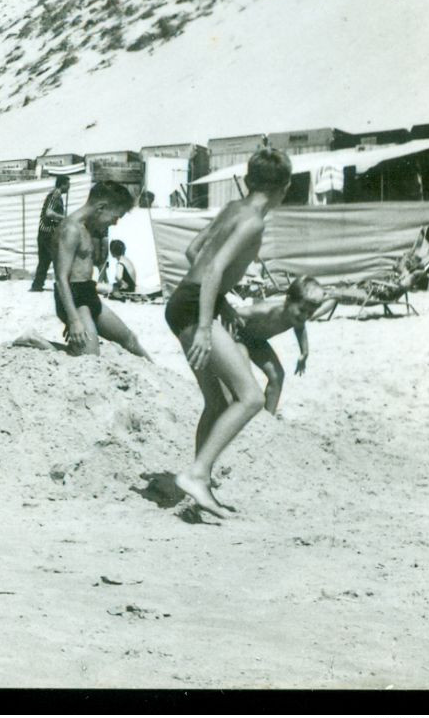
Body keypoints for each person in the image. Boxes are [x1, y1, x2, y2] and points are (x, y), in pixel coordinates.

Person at [163, 147, 294, 519]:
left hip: (184, 301)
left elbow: (193, 252)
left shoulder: (233, 208)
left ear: (249, 180)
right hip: (192, 310)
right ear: (285, 187)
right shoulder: (253, 221)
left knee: (218, 402)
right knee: (251, 397)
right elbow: (215, 267)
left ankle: (197, 482)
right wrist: (206, 325)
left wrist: (220, 304)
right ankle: (197, 474)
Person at [52, 180, 152, 360]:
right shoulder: (71, 229)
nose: (115, 223)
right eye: (115, 216)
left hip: (87, 292)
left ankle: (157, 372)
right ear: (101, 208)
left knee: (130, 339)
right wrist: (74, 319)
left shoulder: (88, 228)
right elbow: (61, 278)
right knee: (89, 355)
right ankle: (33, 340)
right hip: (74, 298)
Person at [222, 276, 327, 416]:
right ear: (288, 300)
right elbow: (233, 313)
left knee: (277, 375)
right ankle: (231, 409)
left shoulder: (296, 318)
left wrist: (304, 353)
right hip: (239, 337)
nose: (304, 316)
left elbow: (300, 329)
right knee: (243, 374)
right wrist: (228, 339)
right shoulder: (268, 310)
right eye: (302, 310)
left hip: (257, 343)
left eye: (310, 313)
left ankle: (268, 417)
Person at [30, 175, 70, 292]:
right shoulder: (55, 195)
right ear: (62, 184)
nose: (69, 187)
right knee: (58, 259)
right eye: (68, 185)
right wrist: (63, 218)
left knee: (44, 260)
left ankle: (37, 285)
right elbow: (49, 213)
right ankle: (62, 285)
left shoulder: (54, 195)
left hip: (44, 233)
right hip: (48, 234)